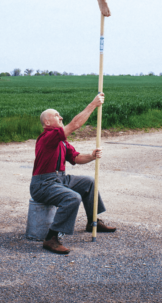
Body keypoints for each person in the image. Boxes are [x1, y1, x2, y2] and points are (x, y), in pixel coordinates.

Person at [30, 93, 116, 254]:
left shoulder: (61, 141)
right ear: (47, 122)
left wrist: (91, 156)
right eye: (57, 116)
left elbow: (76, 158)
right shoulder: (47, 137)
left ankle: (93, 222)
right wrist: (93, 104)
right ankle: (51, 238)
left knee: (89, 182)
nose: (61, 117)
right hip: (43, 184)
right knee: (72, 197)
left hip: (59, 179)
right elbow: (75, 124)